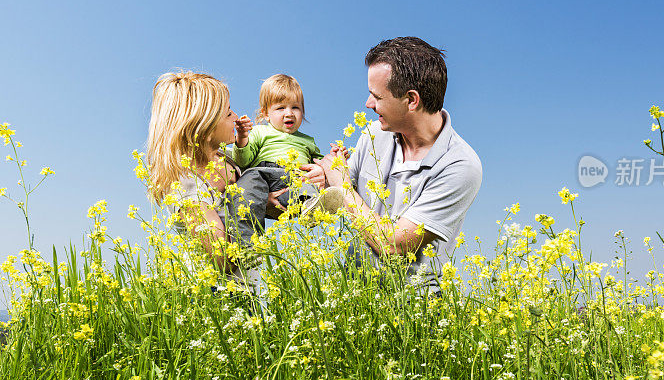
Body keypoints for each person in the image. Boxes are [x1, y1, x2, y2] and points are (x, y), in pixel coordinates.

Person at [313, 37, 482, 293]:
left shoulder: (460, 165)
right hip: (355, 291)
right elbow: (335, 198)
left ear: (411, 100)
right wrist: (319, 179)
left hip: (412, 309)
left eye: (376, 96)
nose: (368, 105)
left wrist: (340, 184)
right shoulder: (374, 134)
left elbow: (394, 245)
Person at [145, 71, 291, 292]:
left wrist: (267, 200)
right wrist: (251, 205)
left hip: (249, 285)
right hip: (216, 293)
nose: (236, 117)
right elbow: (221, 257)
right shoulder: (186, 185)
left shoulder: (227, 158)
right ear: (202, 126)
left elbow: (251, 194)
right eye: (227, 113)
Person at [229, 74, 341, 245]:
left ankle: (313, 210)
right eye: (280, 108)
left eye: (295, 107)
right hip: (263, 175)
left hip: (293, 179)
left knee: (308, 187)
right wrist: (242, 137)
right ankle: (247, 243)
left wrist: (335, 158)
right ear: (265, 114)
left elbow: (321, 166)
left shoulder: (307, 141)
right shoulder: (260, 132)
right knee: (246, 189)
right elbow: (243, 161)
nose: (289, 113)